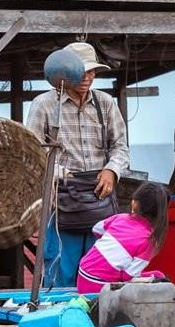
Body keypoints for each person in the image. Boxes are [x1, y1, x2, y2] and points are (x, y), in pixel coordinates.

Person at [26, 41, 130, 288]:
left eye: (92, 72)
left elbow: (121, 147)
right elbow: (32, 154)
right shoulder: (44, 104)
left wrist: (111, 170)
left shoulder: (106, 103)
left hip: (99, 199)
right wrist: (61, 173)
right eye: (81, 72)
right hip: (61, 201)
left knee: (98, 274)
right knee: (60, 273)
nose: (87, 78)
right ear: (65, 73)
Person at [76, 181, 170, 293]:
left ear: (134, 203)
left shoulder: (120, 218)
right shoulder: (150, 241)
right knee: (158, 276)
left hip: (82, 275)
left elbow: (96, 229)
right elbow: (127, 276)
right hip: (101, 287)